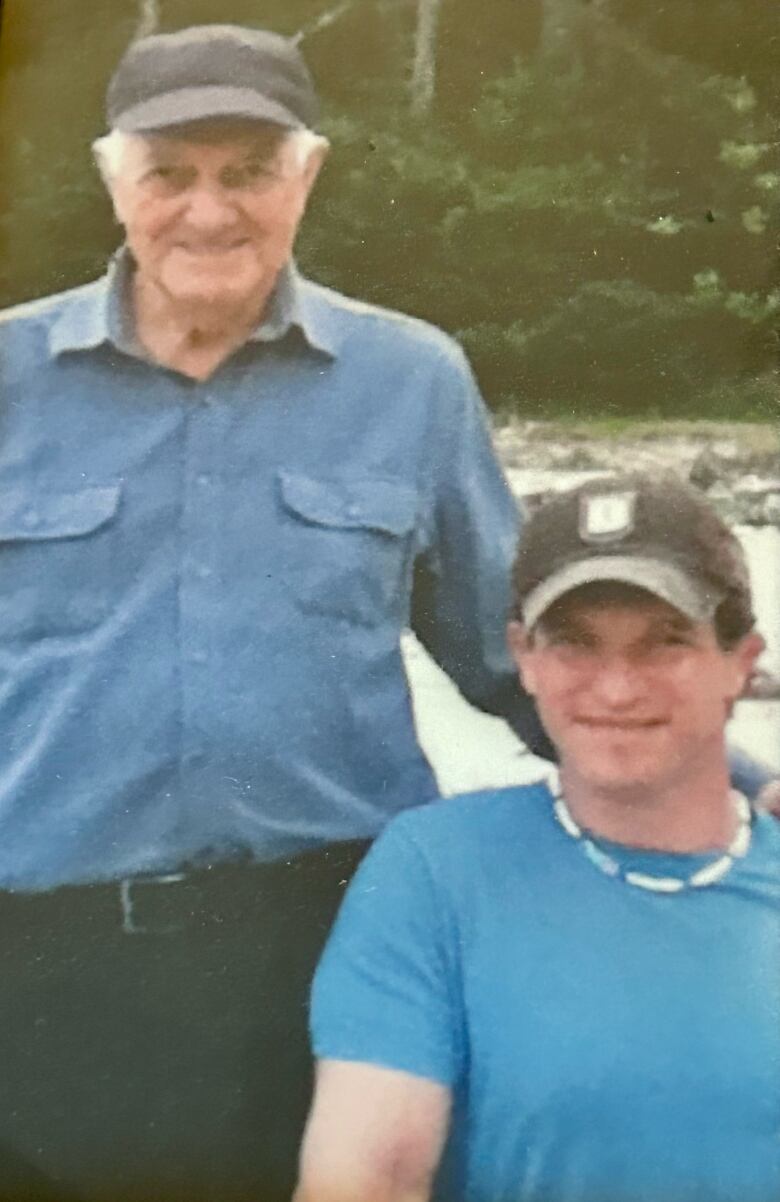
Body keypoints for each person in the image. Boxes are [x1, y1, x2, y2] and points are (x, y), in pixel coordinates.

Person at [0, 22, 554, 1202]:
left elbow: (521, 653)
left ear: (305, 178)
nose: (209, 209)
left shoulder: (413, 382)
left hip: (343, 958)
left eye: (248, 169)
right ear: (116, 186)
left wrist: (721, 780)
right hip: (42, 965)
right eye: (170, 172)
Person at [298, 472, 780, 1202]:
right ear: (523, 656)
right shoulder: (436, 873)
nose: (616, 688)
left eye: (665, 644)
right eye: (575, 645)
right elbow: (368, 1177)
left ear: (739, 665)